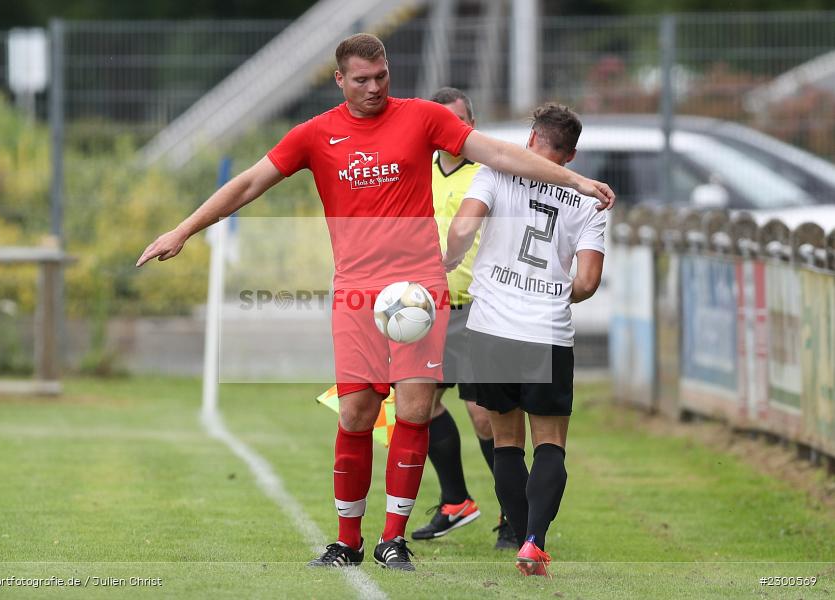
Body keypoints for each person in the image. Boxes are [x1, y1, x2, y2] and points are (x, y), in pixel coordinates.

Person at [137, 34, 614, 572]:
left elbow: (502, 153)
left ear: (390, 72)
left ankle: (393, 539)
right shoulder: (315, 134)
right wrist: (182, 230)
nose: (373, 88)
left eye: (380, 76)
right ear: (339, 80)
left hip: (418, 291)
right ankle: (347, 540)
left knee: (414, 409)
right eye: (360, 80)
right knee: (356, 412)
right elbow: (249, 183)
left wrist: (574, 179)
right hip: (357, 294)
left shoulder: (423, 118)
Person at [443, 102, 606, 576]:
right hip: (547, 332)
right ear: (570, 156)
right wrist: (553, 293)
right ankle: (533, 541)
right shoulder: (590, 199)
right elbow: (589, 281)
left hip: (491, 329)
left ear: (529, 140)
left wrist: (451, 258)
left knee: (507, 442)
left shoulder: (494, 173)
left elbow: (464, 228)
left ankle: (519, 535)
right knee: (550, 442)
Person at [410, 87, 515, 550]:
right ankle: (456, 502)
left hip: (478, 308)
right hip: (425, 308)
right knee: (420, 406)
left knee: (485, 417)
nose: (452, 131)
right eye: (442, 121)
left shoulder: (490, 175)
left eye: (460, 121)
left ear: (471, 125)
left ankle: (515, 513)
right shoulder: (417, 173)